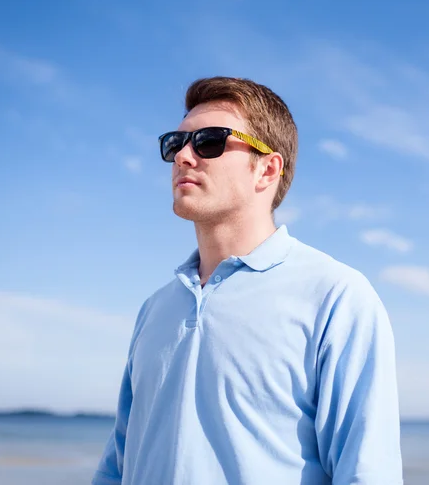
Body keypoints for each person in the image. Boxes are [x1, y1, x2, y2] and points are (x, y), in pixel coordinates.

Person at [92, 76, 403, 485]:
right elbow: (119, 462)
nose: (183, 157)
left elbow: (366, 473)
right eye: (175, 143)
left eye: (209, 141)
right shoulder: (156, 309)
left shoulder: (336, 296)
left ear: (267, 169)